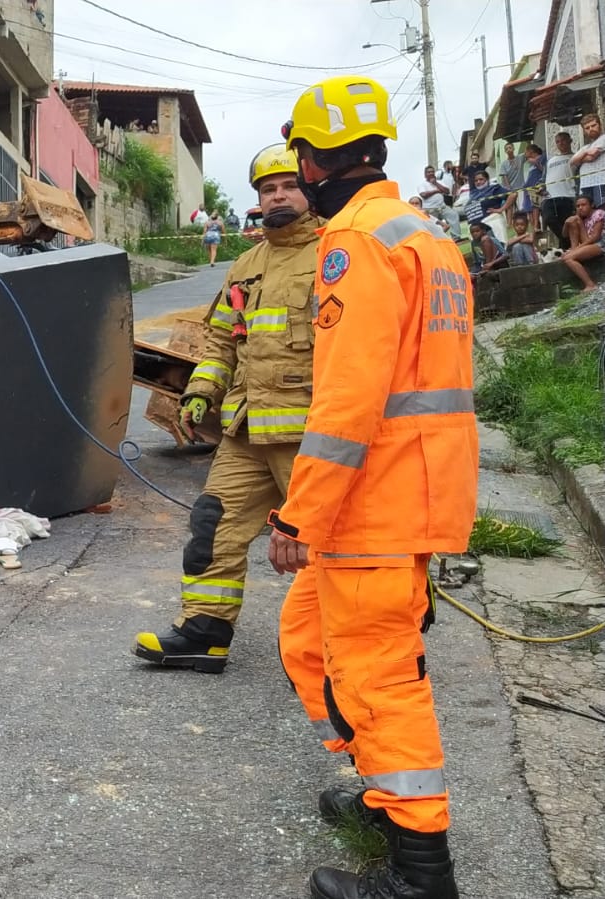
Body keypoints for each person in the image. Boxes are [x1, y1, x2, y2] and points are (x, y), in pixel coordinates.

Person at [277, 73, 476, 899]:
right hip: (414, 490)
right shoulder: (424, 234)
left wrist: (299, 512)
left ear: (312, 159)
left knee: (376, 674)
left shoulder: (356, 241)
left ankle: (420, 873)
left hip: (372, 502)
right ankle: (382, 790)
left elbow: (348, 398)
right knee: (311, 641)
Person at [133, 144, 322, 675]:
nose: (277, 195)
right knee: (212, 526)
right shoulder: (246, 264)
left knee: (326, 544)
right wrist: (200, 392)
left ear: (308, 188)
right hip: (245, 431)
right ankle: (204, 633)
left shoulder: (336, 254)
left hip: (311, 433)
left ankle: (345, 648)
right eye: (267, 189)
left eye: (287, 185)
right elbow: (221, 343)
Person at [561, 192, 605, 291]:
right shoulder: (582, 219)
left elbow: (595, 237)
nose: (580, 208)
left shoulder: (599, 213)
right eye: (578, 206)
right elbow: (564, 235)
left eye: (583, 205)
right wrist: (566, 223)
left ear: (592, 205)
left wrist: (577, 249)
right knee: (573, 222)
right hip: (589, 242)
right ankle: (574, 250)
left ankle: (590, 285)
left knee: (568, 259)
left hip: (601, 243)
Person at [542, 130, 577, 245]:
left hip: (567, 195)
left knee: (567, 222)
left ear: (570, 141)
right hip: (550, 197)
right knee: (548, 219)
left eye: (563, 140)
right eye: (557, 141)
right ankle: (566, 242)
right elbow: (545, 178)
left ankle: (566, 247)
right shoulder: (550, 161)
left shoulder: (576, 157)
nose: (560, 143)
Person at [416, 164, 459, 238]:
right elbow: (423, 195)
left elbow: (447, 191)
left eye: (432, 172)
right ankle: (437, 239)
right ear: (425, 174)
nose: (431, 173)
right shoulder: (422, 185)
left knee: (453, 215)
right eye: (429, 172)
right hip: (430, 210)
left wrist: (435, 183)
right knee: (433, 227)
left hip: (442, 207)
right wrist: (436, 191)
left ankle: (456, 237)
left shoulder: (439, 182)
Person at [574, 113, 605, 208]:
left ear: (600, 125)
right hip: (586, 182)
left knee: (601, 209)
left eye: (593, 125)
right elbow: (573, 161)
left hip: (600, 181)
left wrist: (581, 157)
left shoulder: (603, 138)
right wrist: (585, 152)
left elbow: (592, 156)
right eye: (587, 128)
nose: (591, 129)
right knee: (588, 213)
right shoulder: (586, 147)